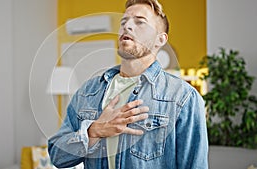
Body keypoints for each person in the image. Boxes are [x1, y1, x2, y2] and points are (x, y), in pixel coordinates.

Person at [48, 0, 209, 168]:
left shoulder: (183, 97)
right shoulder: (89, 91)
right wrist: (94, 131)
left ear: (160, 39)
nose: (128, 26)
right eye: (124, 22)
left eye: (140, 22)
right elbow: (57, 156)